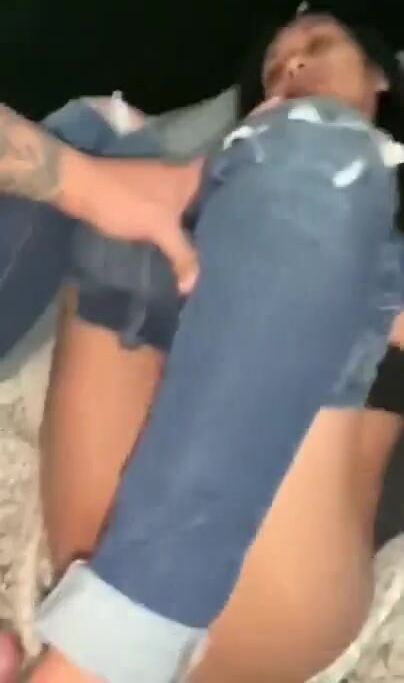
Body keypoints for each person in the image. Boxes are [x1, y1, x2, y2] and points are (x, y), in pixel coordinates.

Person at [19, 10, 404, 683]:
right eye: (273, 69)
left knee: (319, 159)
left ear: (382, 76)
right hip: (103, 546)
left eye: (316, 47)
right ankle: (102, 647)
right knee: (122, 171)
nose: (288, 67)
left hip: (268, 590)